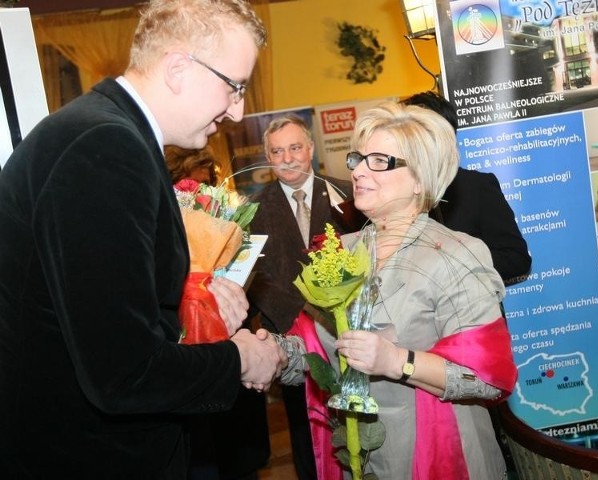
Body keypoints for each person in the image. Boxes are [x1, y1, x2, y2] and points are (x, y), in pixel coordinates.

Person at [0, 1, 287, 478]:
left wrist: (201, 303)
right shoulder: (103, 148)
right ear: (178, 67)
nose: (237, 110)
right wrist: (238, 357)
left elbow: (101, 309)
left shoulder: (103, 132)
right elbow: (122, 373)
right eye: (234, 87)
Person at [279, 102, 517, 479]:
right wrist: (265, 354)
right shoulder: (340, 251)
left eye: (378, 161)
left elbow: (488, 380)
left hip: (441, 454)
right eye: (358, 158)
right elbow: (310, 347)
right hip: (358, 455)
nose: (356, 170)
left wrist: (397, 361)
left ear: (420, 179)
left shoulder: (456, 255)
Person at [247, 113, 363, 480]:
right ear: (268, 157)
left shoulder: (350, 194)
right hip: (291, 338)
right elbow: (255, 278)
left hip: (350, 332)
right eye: (277, 151)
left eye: (295, 147)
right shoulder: (251, 211)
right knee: (305, 429)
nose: (287, 158)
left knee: (361, 418)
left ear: (311, 148)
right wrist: (302, 319)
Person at [165, 145, 270, 480]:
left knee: (237, 461)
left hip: (227, 357)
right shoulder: (156, 227)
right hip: (188, 364)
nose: (204, 193)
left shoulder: (225, 220)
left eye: (208, 182)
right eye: (194, 184)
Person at [403, 91, 531, 282]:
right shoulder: (392, 190)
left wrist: (454, 264)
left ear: (444, 136)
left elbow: (516, 259)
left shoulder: (476, 186)